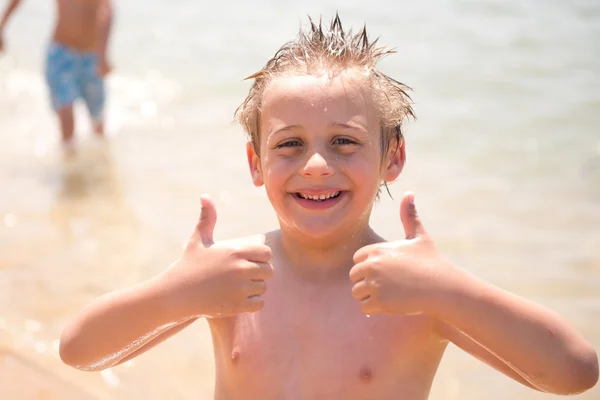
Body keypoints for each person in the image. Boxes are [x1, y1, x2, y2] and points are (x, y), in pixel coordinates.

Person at [58, 15, 598, 399]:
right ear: (255, 163)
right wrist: (177, 293)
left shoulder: (416, 290)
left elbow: (573, 372)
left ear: (393, 156)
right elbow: (79, 350)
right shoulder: (232, 279)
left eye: (344, 141)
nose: (316, 164)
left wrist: (448, 290)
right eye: (290, 144)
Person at [0, 0, 113, 151]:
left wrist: (103, 53)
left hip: (91, 57)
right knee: (66, 116)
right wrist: (2, 26)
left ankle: (100, 166)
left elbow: (107, 11)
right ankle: (70, 168)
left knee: (97, 122)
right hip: (61, 54)